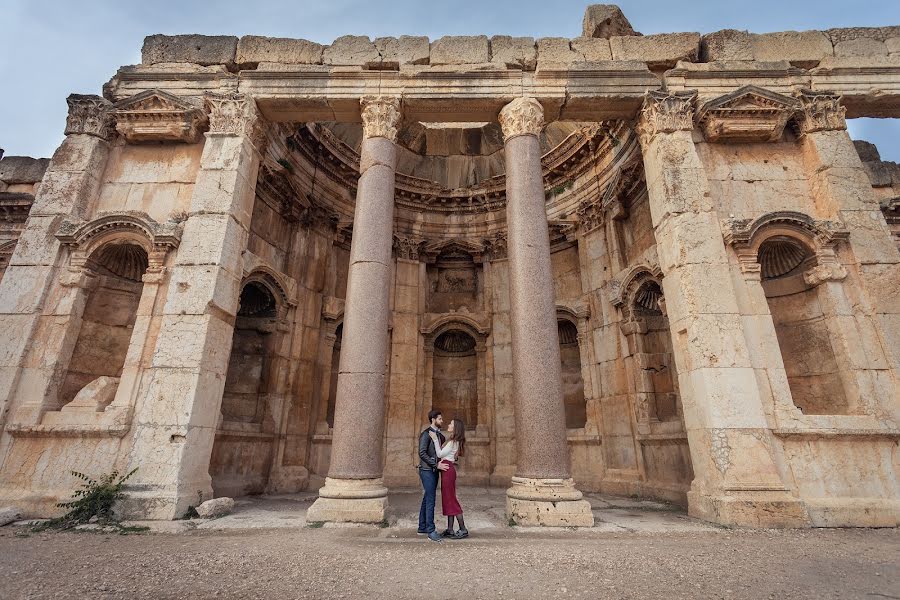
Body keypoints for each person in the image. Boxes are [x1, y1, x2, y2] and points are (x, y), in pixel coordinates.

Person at [430, 418, 467, 539]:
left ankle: (463, 529)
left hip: (448, 471)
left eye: (451, 423)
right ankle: (450, 529)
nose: (449, 424)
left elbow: (440, 454)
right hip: (447, 470)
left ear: (455, 428)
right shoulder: (453, 441)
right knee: (448, 499)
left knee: (451, 500)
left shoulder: (452, 442)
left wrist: (435, 439)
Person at [418, 409, 449, 543]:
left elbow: (440, 452)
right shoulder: (425, 434)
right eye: (440, 419)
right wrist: (435, 464)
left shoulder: (440, 436)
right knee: (431, 499)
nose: (442, 421)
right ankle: (431, 531)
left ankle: (422, 527)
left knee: (427, 498)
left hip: (434, 470)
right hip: (426, 470)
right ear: (433, 420)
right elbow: (422, 453)